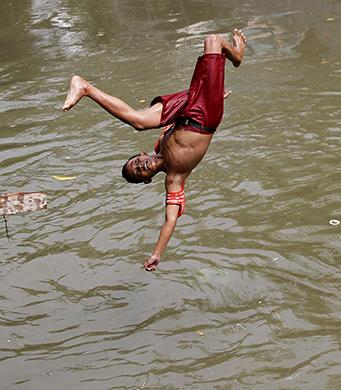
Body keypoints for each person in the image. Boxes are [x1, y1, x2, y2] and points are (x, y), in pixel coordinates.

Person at [61, 29, 247, 271]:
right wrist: (157, 254)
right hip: (204, 115)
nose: (141, 167)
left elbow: (169, 125)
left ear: (141, 154)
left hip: (185, 111)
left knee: (138, 121)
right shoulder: (174, 178)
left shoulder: (161, 142)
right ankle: (236, 56)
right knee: (212, 41)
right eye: (139, 173)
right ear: (147, 180)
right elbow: (170, 219)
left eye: (137, 163)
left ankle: (85, 88)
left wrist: (215, 94)